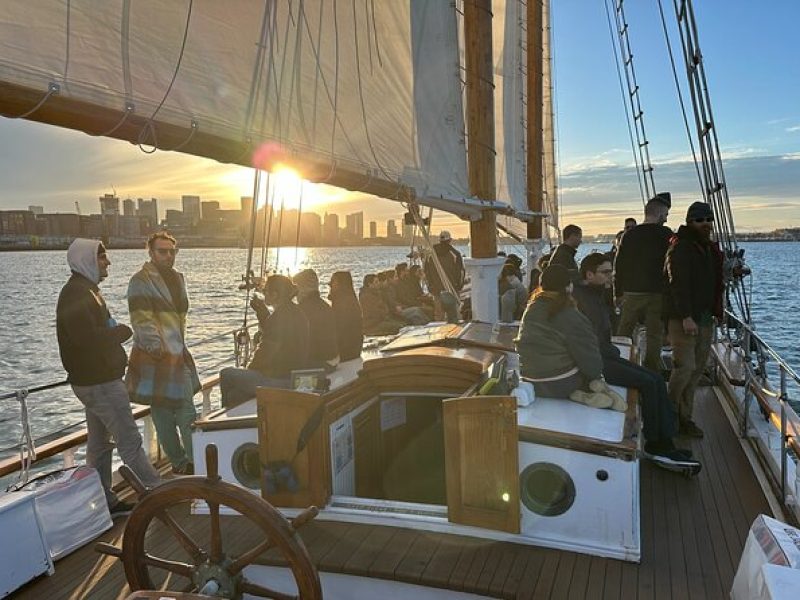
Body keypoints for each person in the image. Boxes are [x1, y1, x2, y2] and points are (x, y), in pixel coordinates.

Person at [57, 239, 161, 515]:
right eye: (102, 257)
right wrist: (121, 332)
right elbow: (85, 339)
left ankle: (104, 500)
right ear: (88, 260)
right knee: (129, 441)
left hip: (92, 382)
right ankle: (157, 491)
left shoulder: (85, 291)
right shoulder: (78, 295)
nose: (108, 262)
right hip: (99, 383)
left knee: (100, 445)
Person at [574, 253, 695, 463]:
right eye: (605, 272)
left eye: (611, 272)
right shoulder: (580, 300)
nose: (611, 276)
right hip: (596, 363)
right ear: (589, 274)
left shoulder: (594, 295)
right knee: (648, 383)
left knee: (656, 378)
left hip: (605, 355)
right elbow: (584, 341)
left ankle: (665, 442)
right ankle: (656, 445)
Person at [126, 232, 200, 475]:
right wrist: (156, 348)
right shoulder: (140, 280)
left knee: (186, 410)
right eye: (162, 251)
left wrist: (177, 347)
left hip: (178, 351)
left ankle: (193, 461)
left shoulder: (178, 279)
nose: (168, 256)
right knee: (163, 413)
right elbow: (141, 319)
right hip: (156, 356)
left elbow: (180, 316)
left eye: (172, 251)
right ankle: (183, 463)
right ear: (151, 252)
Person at [515, 264, 624, 409]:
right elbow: (589, 357)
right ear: (569, 287)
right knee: (590, 370)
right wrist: (595, 375)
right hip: (560, 382)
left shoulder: (531, 309)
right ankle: (587, 389)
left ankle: (581, 393)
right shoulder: (570, 315)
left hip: (531, 380)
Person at [664, 201, 724, 438]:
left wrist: (716, 311)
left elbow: (714, 283)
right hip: (684, 319)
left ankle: (684, 417)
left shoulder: (708, 248)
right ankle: (668, 413)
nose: (706, 224)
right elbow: (676, 284)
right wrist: (686, 316)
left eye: (709, 219)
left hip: (705, 317)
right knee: (684, 368)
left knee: (697, 370)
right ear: (690, 222)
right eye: (700, 220)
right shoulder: (681, 248)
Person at [220, 275, 310, 407]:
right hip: (294, 377)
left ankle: (224, 422)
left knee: (227, 374)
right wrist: (262, 312)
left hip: (279, 381)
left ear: (275, 294)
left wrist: (250, 370)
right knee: (235, 394)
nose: (263, 293)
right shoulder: (298, 313)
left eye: (266, 291)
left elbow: (265, 352)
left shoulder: (279, 317)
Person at [614, 197, 672, 372]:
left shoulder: (629, 235)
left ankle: (619, 363)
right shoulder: (666, 234)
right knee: (655, 335)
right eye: (666, 214)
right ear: (660, 213)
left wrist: (617, 293)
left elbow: (620, 264)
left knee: (624, 330)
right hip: (657, 293)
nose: (666, 218)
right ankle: (652, 370)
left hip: (632, 292)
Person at [293, 269, 339, 370]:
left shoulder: (302, 310)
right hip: (331, 359)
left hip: (318, 362)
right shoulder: (324, 306)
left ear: (303, 288)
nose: (295, 294)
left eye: (296, 288)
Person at [424, 231, 465, 323]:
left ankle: (438, 331)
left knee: (439, 314)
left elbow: (426, 272)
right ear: (450, 240)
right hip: (451, 288)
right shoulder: (455, 254)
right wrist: (459, 285)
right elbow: (461, 272)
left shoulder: (431, 254)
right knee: (454, 313)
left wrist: (430, 285)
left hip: (436, 288)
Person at [329, 271, 364, 361]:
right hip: (354, 350)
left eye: (333, 281)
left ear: (341, 283)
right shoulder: (350, 299)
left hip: (346, 351)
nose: (329, 284)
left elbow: (340, 329)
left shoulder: (343, 302)